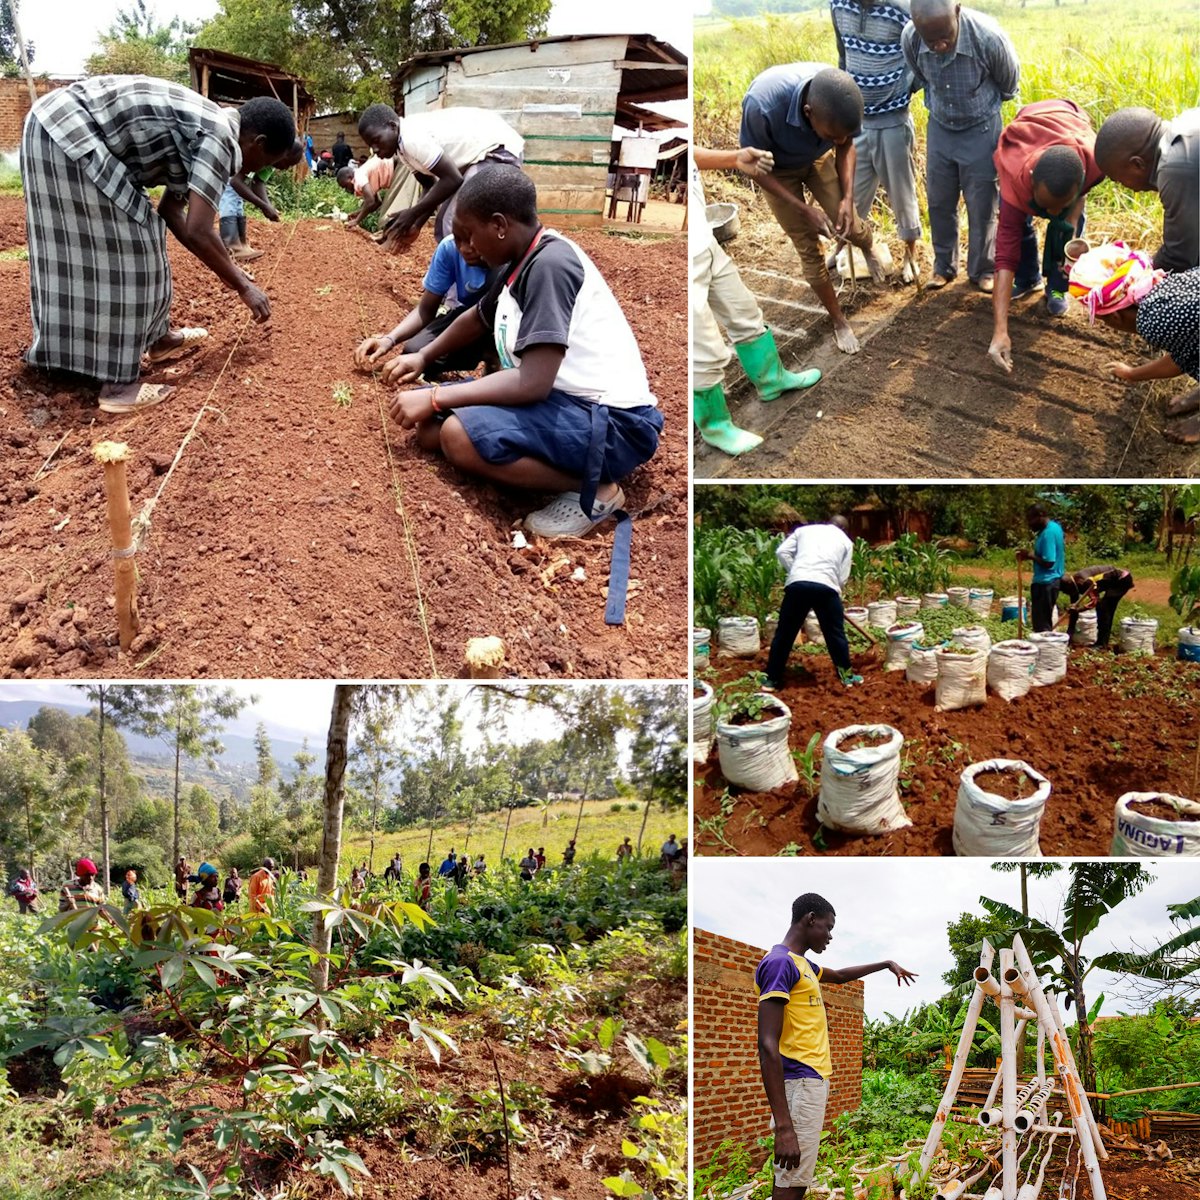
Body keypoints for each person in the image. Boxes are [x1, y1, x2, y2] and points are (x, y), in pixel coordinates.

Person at [380, 166, 663, 569]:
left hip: (614, 424)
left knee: (457, 436)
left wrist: (438, 394)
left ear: (498, 226)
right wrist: (422, 357)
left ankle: (596, 489)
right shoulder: (522, 258)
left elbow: (532, 382)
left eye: (468, 235)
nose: (465, 248)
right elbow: (476, 317)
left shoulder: (549, 266)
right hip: (568, 406)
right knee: (431, 432)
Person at [21, 77, 295, 413]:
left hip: (61, 127)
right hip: (65, 131)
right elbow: (198, 230)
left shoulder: (214, 127)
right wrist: (243, 285)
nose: (257, 171)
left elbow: (170, 211)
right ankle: (117, 385)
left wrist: (232, 273)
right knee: (129, 251)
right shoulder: (221, 137)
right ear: (258, 142)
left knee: (147, 235)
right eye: (265, 163)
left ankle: (157, 339)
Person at [757, 893, 916, 1200]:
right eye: (828, 927)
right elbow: (767, 1045)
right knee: (792, 1181)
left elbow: (841, 976)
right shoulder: (779, 964)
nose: (829, 936)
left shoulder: (801, 964)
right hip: (799, 1081)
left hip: (809, 1081)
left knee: (796, 1178)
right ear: (810, 918)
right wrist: (785, 1128)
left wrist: (886, 964)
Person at [740, 64, 889, 354]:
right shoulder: (762, 106)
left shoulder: (840, 96)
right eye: (832, 134)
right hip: (775, 169)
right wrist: (801, 208)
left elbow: (845, 144)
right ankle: (839, 321)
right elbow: (752, 168)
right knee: (808, 247)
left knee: (848, 222)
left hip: (817, 158)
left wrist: (847, 198)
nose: (838, 140)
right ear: (808, 113)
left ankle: (867, 246)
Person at [692, 145, 821, 456]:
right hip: (689, 257)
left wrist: (735, 159)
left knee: (745, 312)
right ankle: (715, 426)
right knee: (704, 349)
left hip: (705, 241)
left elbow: (691, 154)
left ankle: (771, 380)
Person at [903, 0, 1020, 294]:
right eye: (932, 40)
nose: (940, 45)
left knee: (982, 204)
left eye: (946, 36)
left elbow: (1009, 85)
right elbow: (920, 75)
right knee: (939, 201)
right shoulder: (910, 38)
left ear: (957, 11)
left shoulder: (988, 38)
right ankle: (944, 266)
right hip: (940, 127)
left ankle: (981, 270)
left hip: (981, 128)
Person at [987, 99, 1104, 373]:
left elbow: (1081, 193)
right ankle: (1029, 279)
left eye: (1059, 204)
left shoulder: (1095, 160)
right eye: (1045, 204)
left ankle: (1056, 287)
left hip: (1071, 124)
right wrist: (1000, 330)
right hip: (1031, 126)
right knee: (1020, 231)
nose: (1051, 212)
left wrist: (1071, 225)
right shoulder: (1014, 174)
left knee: (1063, 235)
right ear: (1032, 183)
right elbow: (1005, 255)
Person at [1068, 242, 1200, 443]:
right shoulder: (1162, 286)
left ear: (1116, 317)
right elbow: (1190, 350)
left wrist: (1132, 374)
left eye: (1103, 320)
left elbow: (1180, 361)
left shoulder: (1152, 321)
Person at [830, 0, 922, 283]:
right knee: (851, 193)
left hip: (893, 120)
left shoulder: (903, 10)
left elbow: (920, 61)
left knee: (902, 195)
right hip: (855, 121)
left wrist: (902, 91)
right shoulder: (838, 5)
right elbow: (843, 53)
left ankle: (911, 255)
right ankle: (841, 246)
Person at [358, 104, 524, 249]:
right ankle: (457, 278)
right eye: (371, 145)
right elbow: (429, 186)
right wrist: (416, 225)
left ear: (392, 126)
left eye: (377, 140)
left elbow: (453, 179)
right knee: (442, 224)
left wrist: (413, 213)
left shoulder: (411, 138)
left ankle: (473, 281)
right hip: (475, 159)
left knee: (455, 222)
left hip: (497, 151)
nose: (375, 149)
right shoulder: (402, 150)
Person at [354, 218, 498, 379]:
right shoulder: (450, 248)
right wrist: (389, 339)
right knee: (414, 350)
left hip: (507, 322)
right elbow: (425, 309)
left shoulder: (510, 260)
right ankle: (487, 352)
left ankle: (496, 353)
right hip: (469, 316)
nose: (464, 248)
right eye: (458, 239)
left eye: (471, 241)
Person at [1094, 107, 1199, 273]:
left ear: (1137, 164)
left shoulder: (1175, 168)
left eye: (1120, 180)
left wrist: (1133, 276)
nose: (1130, 190)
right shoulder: (1186, 123)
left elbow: (1179, 258)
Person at [765, 516, 862, 691]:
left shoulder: (804, 530)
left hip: (797, 584)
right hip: (827, 587)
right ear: (844, 529)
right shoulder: (845, 541)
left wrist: (795, 571)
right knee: (835, 634)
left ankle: (772, 679)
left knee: (785, 633)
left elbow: (781, 552)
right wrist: (834, 591)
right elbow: (843, 576)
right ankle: (847, 678)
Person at [218, 137, 305, 262]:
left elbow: (258, 182)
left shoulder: (270, 165)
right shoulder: (262, 155)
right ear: (283, 154)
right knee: (230, 197)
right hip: (228, 170)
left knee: (237, 201)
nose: (286, 168)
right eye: (288, 163)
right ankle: (232, 246)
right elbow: (235, 182)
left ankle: (241, 244)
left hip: (235, 179)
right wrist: (263, 206)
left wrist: (268, 205)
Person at [1059, 565, 1135, 649]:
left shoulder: (1085, 582)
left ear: (1069, 585)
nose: (1066, 593)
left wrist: (1078, 610)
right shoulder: (1073, 587)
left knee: (1104, 609)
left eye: (1065, 591)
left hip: (1121, 579)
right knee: (1103, 608)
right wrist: (1069, 636)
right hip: (1113, 582)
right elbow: (1074, 614)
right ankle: (1102, 642)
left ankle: (1102, 644)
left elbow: (1094, 602)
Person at [1016, 504, 1065, 634]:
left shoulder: (1048, 533)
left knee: (1041, 626)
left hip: (1046, 583)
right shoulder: (1054, 527)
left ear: (1040, 516)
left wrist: (1030, 555)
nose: (1029, 524)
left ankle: (1045, 652)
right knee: (1042, 622)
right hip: (1050, 581)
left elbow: (1049, 562)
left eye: (1031, 519)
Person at [335, 154, 395, 228]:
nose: (347, 189)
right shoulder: (364, 174)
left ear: (350, 177)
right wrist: (358, 213)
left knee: (390, 214)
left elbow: (370, 201)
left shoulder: (359, 176)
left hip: (397, 168)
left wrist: (357, 220)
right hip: (394, 171)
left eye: (345, 186)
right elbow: (377, 202)